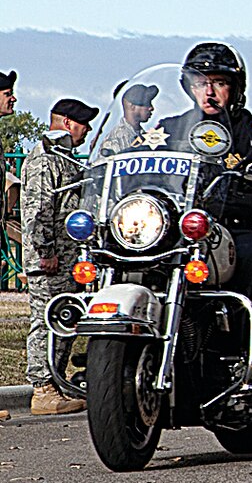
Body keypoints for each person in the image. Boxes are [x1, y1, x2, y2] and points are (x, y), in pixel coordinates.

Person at [160, 43, 252, 402]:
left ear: (234, 88)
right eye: (199, 81)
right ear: (188, 86)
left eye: (218, 82)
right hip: (180, 232)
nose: (208, 90)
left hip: (238, 229)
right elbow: (137, 166)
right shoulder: (167, 131)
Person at [20, 97, 97, 415]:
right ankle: (42, 389)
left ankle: (56, 384)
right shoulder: (45, 158)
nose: (88, 130)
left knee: (63, 320)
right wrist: (46, 252)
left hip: (66, 259)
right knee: (46, 320)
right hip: (49, 260)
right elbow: (38, 211)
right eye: (83, 123)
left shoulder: (65, 158)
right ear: (66, 122)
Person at [98, 82, 158, 155]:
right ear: (131, 106)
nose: (151, 108)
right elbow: (106, 164)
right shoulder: (115, 138)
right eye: (146, 103)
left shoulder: (143, 135)